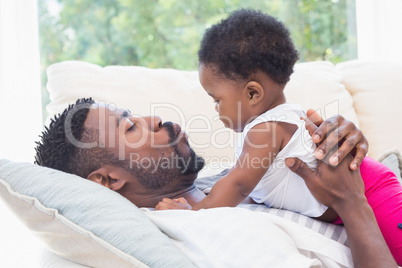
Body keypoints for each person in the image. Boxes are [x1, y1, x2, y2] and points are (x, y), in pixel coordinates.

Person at [154, 9, 402, 264]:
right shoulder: (279, 122)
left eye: (217, 99)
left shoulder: (266, 130)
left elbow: (238, 185)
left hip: (373, 193)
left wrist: (193, 213)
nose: (215, 108)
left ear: (252, 94)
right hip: (364, 193)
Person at [34, 98, 397, 267]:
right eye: (130, 126)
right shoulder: (204, 231)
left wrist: (343, 144)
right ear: (108, 180)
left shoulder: (224, 181)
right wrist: (353, 202)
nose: (156, 118)